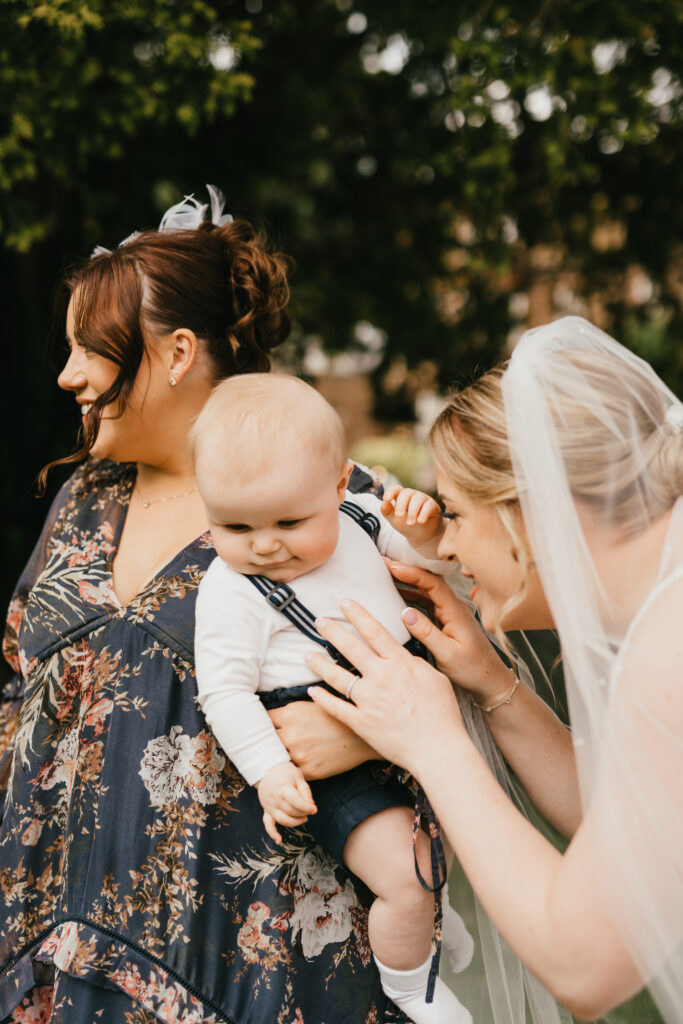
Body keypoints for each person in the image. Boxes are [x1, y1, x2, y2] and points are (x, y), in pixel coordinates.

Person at [0, 189, 404, 1024]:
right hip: (57, 956)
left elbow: (445, 666)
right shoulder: (83, 498)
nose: (68, 374)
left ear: (177, 351)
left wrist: (364, 725)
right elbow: (16, 686)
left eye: (91, 349)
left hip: (246, 964)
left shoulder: (329, 502)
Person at [296, 316, 683, 1024]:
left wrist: (433, 743)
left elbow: (583, 963)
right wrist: (493, 686)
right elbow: (629, 827)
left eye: (456, 513)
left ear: (530, 512)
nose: (444, 544)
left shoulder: (668, 645)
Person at [192, 373, 475, 1024]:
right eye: (233, 525)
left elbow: (436, 566)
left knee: (447, 830)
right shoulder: (232, 591)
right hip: (331, 745)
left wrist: (425, 531)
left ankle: (433, 911)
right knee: (404, 872)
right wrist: (269, 769)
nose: (264, 544)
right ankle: (411, 987)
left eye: (289, 521)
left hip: (403, 707)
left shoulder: (359, 519)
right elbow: (225, 692)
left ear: (340, 485)